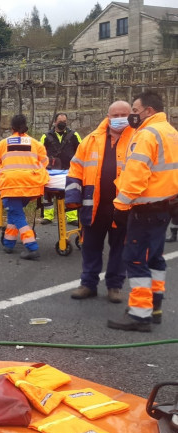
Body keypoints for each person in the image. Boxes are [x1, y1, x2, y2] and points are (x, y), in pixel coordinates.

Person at [107, 90, 178, 332]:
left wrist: (121, 205)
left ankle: (140, 314)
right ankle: (154, 306)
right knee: (155, 259)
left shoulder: (146, 135)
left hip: (145, 209)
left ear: (148, 111)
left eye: (135, 111)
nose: (132, 116)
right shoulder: (171, 132)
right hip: (164, 207)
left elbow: (136, 175)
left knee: (136, 259)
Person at [65, 101, 134, 303]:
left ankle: (114, 286)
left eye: (124, 114)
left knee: (120, 249)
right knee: (90, 247)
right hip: (94, 206)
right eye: (116, 114)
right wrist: (72, 198)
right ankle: (88, 284)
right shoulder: (91, 140)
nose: (119, 118)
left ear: (131, 115)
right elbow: (76, 169)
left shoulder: (138, 140)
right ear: (108, 116)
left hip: (123, 207)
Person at [0, 114, 49, 260]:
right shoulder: (36, 144)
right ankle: (9, 243)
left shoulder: (3, 144)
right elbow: (45, 163)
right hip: (32, 186)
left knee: (17, 215)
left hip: (11, 185)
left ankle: (32, 247)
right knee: (14, 212)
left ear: (11, 128)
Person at [39, 113, 82, 224]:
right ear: (54, 122)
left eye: (64, 121)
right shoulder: (46, 136)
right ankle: (48, 216)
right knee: (48, 194)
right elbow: (39, 152)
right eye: (60, 121)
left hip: (69, 170)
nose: (62, 123)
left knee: (70, 193)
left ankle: (72, 217)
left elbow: (82, 150)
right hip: (51, 170)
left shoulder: (74, 135)